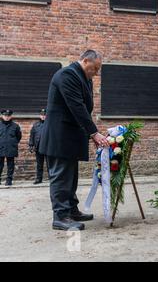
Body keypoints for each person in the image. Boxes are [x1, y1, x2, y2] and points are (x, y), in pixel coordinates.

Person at [39, 50, 110, 231]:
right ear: (85, 60)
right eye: (95, 68)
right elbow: (76, 106)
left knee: (71, 177)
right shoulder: (67, 75)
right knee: (61, 178)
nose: (96, 73)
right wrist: (94, 133)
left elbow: (85, 108)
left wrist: (89, 133)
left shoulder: (84, 77)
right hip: (59, 137)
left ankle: (71, 209)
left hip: (70, 137)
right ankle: (61, 217)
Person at [0, 109, 22, 186]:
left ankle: (9, 180)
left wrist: (13, 143)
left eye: (8, 116)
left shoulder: (15, 126)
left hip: (11, 148)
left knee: (10, 165)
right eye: (5, 115)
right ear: (2, 116)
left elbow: (18, 137)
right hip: (1, 148)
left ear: (11, 116)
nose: (6, 117)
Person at [29, 109, 49, 185]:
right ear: (39, 115)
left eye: (44, 115)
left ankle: (52, 178)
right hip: (39, 147)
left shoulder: (50, 124)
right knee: (39, 164)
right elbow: (32, 136)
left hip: (48, 147)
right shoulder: (36, 125)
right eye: (42, 115)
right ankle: (39, 178)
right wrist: (31, 145)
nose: (43, 116)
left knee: (49, 164)